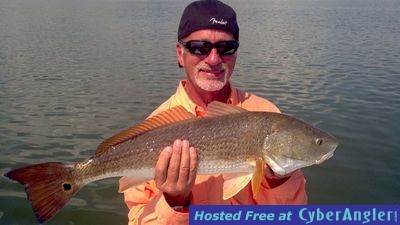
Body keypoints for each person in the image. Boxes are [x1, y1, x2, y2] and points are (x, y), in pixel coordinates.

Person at [120, 0, 307, 224]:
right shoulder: (155, 128)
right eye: (200, 47)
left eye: (226, 48)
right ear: (180, 54)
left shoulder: (267, 114)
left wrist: (278, 181)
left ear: (236, 54)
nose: (214, 59)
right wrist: (175, 201)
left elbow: (292, 218)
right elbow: (138, 220)